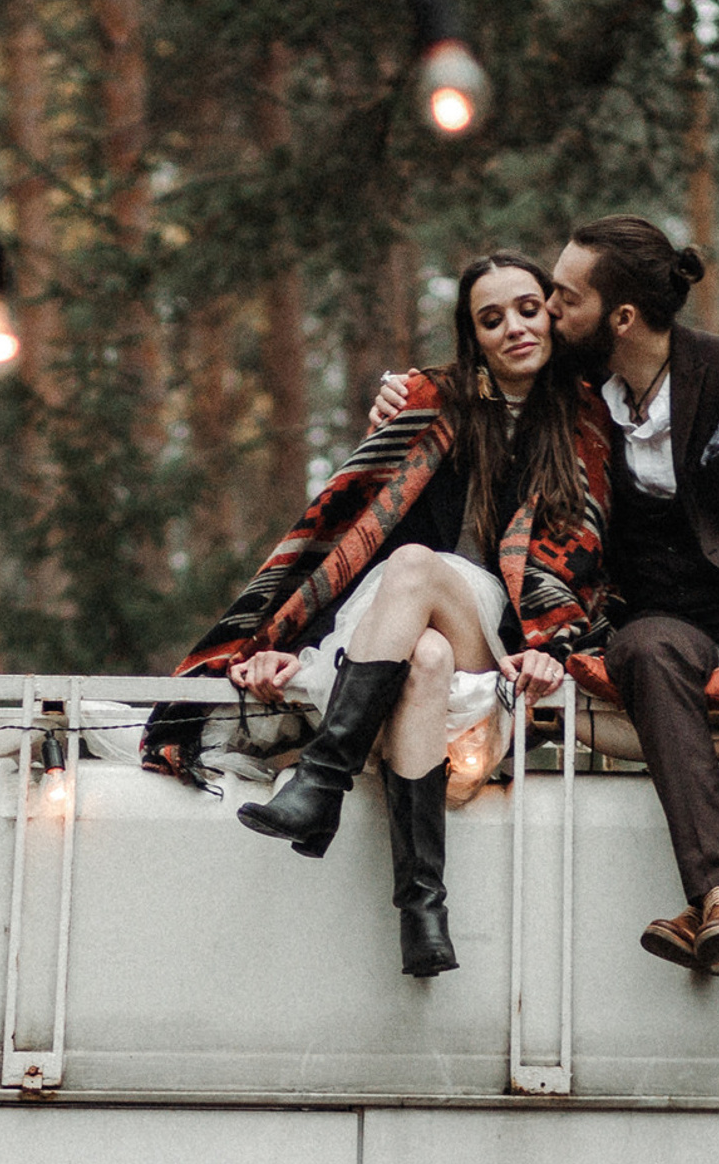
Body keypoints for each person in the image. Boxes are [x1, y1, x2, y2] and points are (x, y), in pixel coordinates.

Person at [374, 218, 719, 972]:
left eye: (563, 298)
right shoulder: (579, 394)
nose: (549, 313)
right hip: (663, 614)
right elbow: (482, 391)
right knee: (645, 654)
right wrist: (401, 394)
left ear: (619, 318)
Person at [145, 253, 608, 977]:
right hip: (418, 637)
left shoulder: (586, 414)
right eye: (492, 319)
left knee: (416, 564)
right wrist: (287, 639)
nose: (515, 327)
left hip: (502, 638)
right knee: (422, 652)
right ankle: (422, 909)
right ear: (473, 337)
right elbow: (348, 534)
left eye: (527, 308)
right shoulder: (432, 405)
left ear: (552, 311)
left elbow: (585, 560)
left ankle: (322, 781)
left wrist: (560, 641)